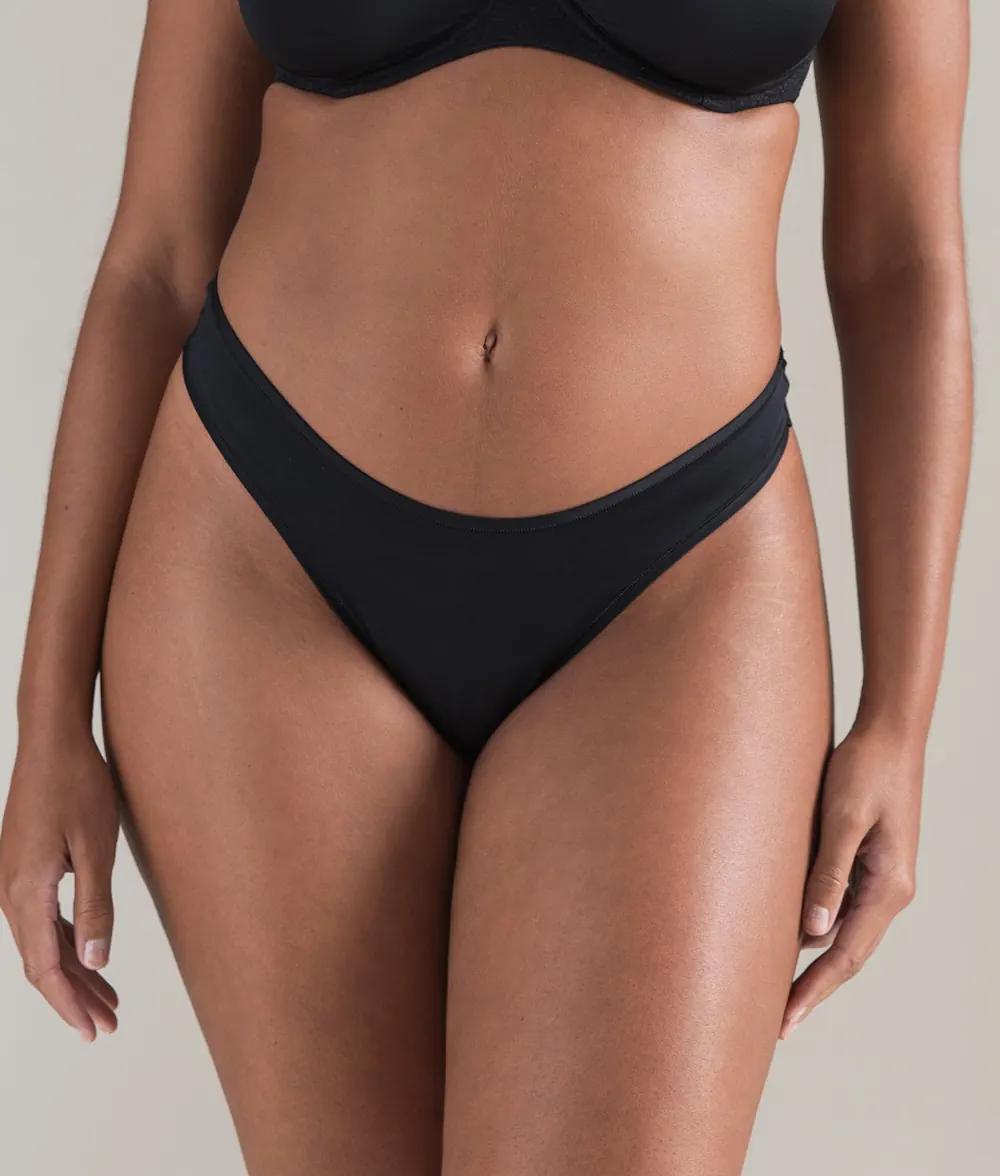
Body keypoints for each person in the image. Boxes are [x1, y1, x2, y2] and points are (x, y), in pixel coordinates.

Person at [0, 1, 973, 1173]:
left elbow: (902, 259)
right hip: (264, 563)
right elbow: (155, 257)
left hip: (677, 589)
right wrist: (47, 712)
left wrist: (899, 718)